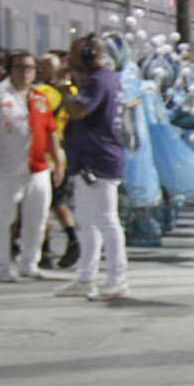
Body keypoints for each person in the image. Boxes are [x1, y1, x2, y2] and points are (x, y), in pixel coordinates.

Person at [0, 50, 62, 282]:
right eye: (20, 67)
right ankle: (0, 267)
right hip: (5, 167)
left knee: (37, 216)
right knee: (2, 218)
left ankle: (29, 263)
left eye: (30, 68)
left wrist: (58, 162)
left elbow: (50, 132)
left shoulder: (40, 97)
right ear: (10, 70)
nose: (25, 72)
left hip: (38, 167)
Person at [57, 35, 128, 301]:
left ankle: (117, 280)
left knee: (107, 221)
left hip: (99, 160)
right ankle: (86, 277)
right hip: (88, 159)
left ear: (88, 55)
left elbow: (78, 111)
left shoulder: (99, 80)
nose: (68, 58)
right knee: (87, 222)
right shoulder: (99, 80)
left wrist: (64, 87)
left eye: (73, 53)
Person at [34, 53, 80, 269]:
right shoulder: (72, 92)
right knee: (58, 200)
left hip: (46, 153)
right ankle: (72, 237)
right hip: (65, 151)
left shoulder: (41, 93)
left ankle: (45, 250)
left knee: (43, 203)